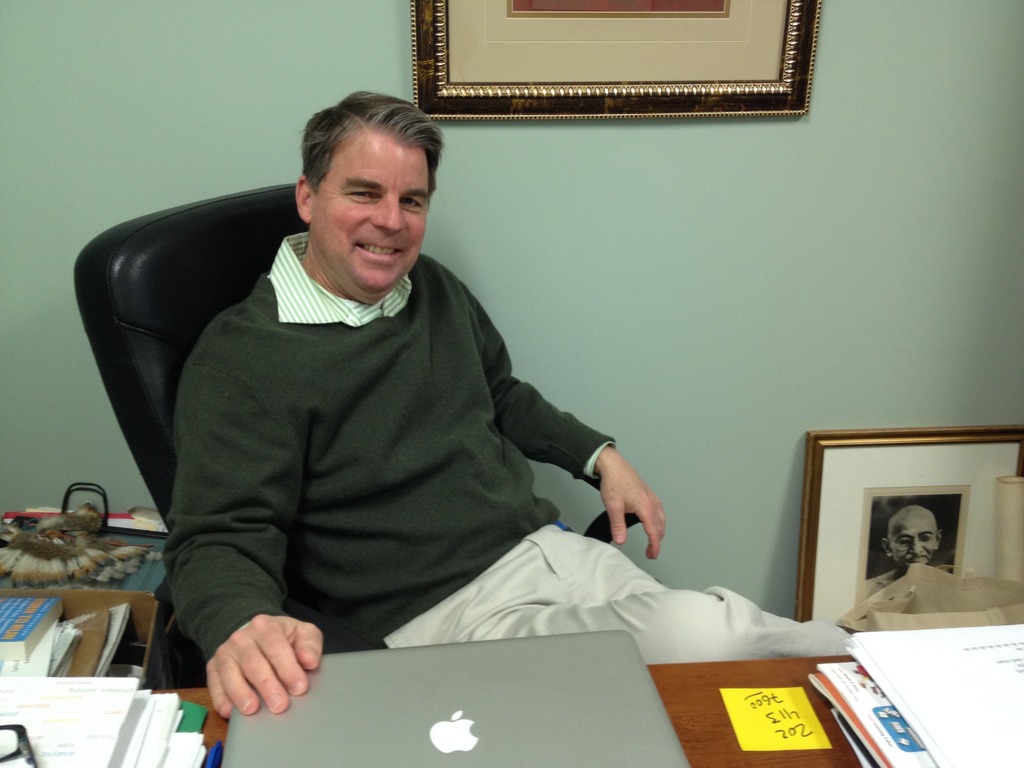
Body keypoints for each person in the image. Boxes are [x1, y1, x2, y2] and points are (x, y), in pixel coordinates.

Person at [163, 92, 849, 719]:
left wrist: (599, 456)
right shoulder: (243, 359)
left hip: (549, 550)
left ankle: (878, 676)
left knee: (731, 669)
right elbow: (218, 535)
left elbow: (499, 394)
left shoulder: (431, 288)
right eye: (364, 193)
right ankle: (869, 664)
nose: (391, 222)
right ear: (308, 197)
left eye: (412, 201)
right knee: (710, 638)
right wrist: (239, 622)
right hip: (449, 615)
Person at [863, 504, 942, 597]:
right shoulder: (867, 590)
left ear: (937, 540)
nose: (916, 551)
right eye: (905, 541)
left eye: (925, 538)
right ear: (888, 547)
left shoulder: (949, 586)